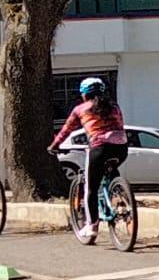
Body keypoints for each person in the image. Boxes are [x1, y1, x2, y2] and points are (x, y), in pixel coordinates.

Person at [51, 77, 128, 240]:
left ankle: (92, 225)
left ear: (84, 94)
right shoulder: (114, 106)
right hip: (121, 148)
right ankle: (119, 193)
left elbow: (66, 130)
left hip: (99, 148)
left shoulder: (81, 109)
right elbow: (120, 125)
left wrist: (54, 145)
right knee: (110, 170)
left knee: (90, 189)